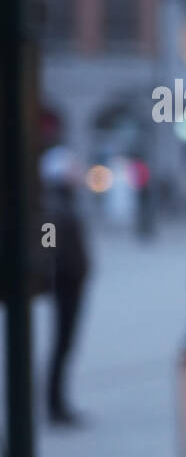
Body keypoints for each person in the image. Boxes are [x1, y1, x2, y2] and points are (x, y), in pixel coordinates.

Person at [39, 146, 92, 426]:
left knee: (64, 344)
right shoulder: (56, 204)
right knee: (62, 344)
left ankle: (58, 403)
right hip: (65, 283)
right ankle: (55, 405)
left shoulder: (64, 201)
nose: (77, 172)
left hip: (70, 282)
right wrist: (55, 266)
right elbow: (49, 243)